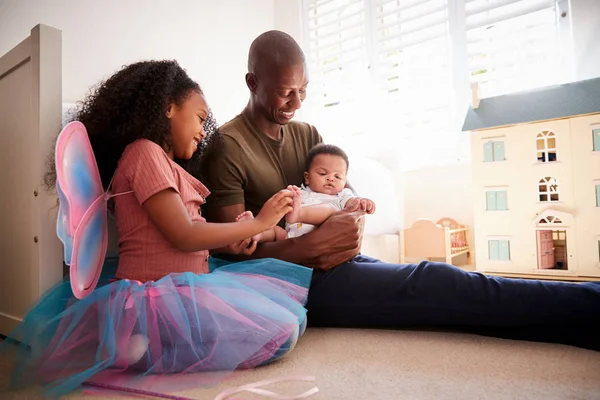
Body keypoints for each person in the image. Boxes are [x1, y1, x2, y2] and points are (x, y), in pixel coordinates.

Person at [201, 30, 600, 351]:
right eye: (285, 91)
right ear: (253, 82)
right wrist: (310, 248)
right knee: (436, 285)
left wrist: (343, 226)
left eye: (303, 90)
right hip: (297, 284)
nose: (297, 102)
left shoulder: (306, 134)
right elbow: (233, 254)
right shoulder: (227, 147)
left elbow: (347, 200)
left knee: (445, 286)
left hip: (336, 264)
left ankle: (583, 319)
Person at [1, 60, 312, 398]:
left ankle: (144, 347)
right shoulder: (143, 153)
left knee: (290, 323)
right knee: (281, 334)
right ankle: (138, 348)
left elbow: (193, 235)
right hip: (153, 294)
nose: (203, 131)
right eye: (198, 117)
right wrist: (260, 222)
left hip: (187, 286)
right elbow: (183, 235)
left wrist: (235, 240)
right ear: (168, 108)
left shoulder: (169, 166)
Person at [285, 143, 375, 238]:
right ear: (307, 178)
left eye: (337, 176)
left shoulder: (342, 195)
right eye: (323, 173)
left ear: (344, 181)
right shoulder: (298, 193)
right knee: (272, 231)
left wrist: (361, 202)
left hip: (326, 242)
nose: (331, 179)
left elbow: (353, 204)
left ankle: (299, 214)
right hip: (291, 239)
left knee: (331, 210)